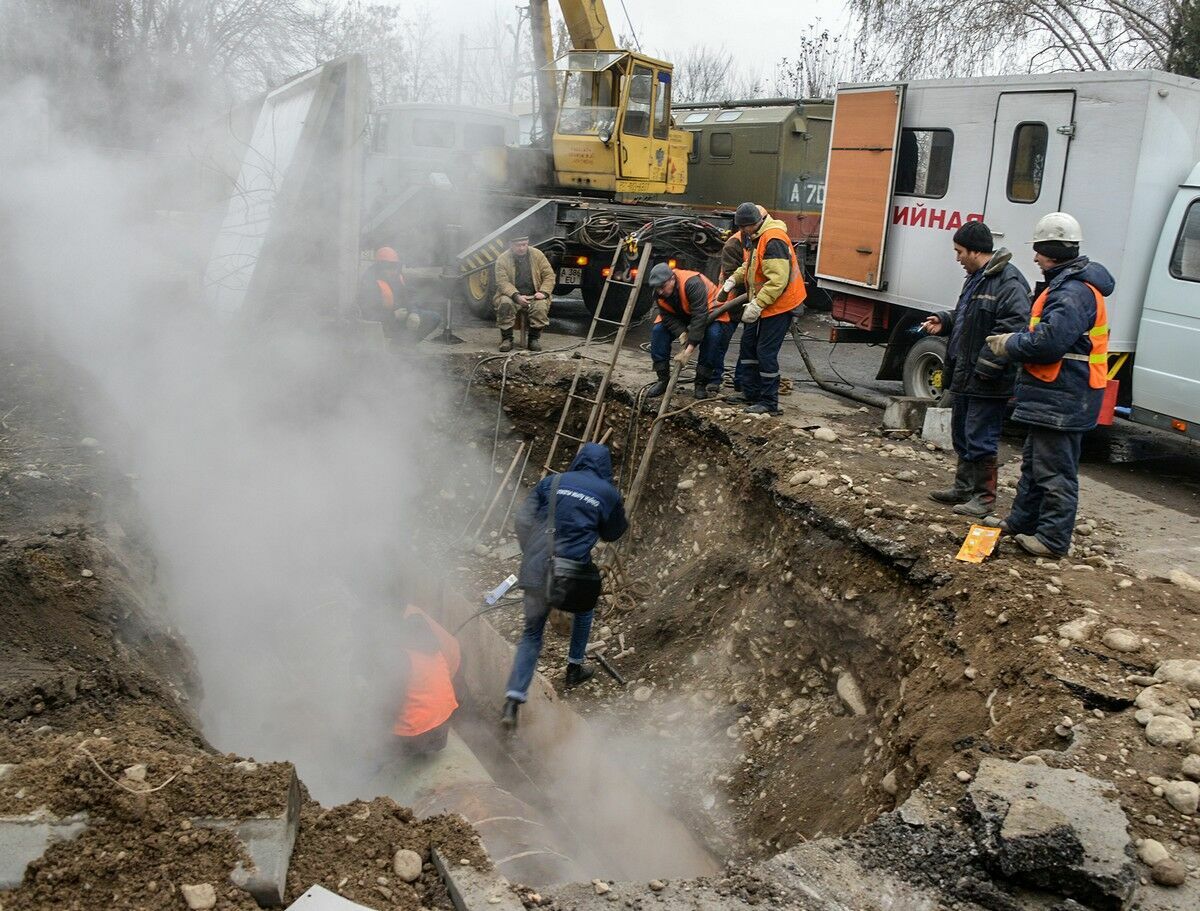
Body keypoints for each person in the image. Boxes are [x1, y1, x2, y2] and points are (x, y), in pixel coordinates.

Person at [985, 212, 1114, 557]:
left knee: (1055, 470)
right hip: (1057, 394)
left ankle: (1053, 540)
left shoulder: (1072, 292)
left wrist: (1010, 344)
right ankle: (1024, 522)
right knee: (1035, 464)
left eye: (1039, 250)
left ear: (1053, 250)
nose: (1035, 257)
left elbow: (1049, 344)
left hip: (1063, 395)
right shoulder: (1069, 287)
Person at [501, 443, 627, 729]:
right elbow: (613, 532)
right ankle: (574, 667)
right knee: (584, 609)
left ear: (579, 460)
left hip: (536, 570)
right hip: (572, 577)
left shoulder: (552, 481)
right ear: (605, 468)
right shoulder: (607, 493)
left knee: (532, 634)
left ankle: (512, 700)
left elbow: (522, 519)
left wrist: (530, 551)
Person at [921, 222, 1031, 518]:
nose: (957, 258)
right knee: (963, 433)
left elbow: (1012, 328)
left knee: (981, 436)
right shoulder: (978, 278)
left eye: (959, 252)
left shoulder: (1008, 282)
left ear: (974, 251)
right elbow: (969, 317)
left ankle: (983, 498)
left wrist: (985, 368)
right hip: (966, 374)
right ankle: (964, 488)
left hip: (987, 378)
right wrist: (945, 320)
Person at [721, 202, 807, 415]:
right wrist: (732, 280)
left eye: (743, 227)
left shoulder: (773, 239)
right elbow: (750, 265)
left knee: (765, 353)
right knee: (748, 345)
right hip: (763, 303)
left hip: (779, 306)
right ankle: (750, 394)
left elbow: (778, 281)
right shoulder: (756, 237)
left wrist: (758, 304)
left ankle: (769, 403)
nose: (741, 232)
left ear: (752, 223)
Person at [644, 262, 733, 400]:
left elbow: (700, 316)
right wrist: (682, 333)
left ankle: (701, 384)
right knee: (658, 331)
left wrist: (688, 349)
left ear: (672, 279)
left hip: (710, 312)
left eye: (662, 287)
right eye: (657, 288)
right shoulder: (658, 293)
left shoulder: (692, 283)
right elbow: (667, 316)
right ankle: (663, 379)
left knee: (713, 336)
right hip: (683, 314)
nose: (660, 291)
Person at [393, 605, 461, 755]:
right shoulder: (436, 651)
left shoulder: (404, 658)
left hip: (414, 737)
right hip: (442, 730)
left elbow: (392, 705)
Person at [358, 247, 441, 343]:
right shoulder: (370, 284)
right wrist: (393, 316)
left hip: (401, 317)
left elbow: (409, 297)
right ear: (379, 267)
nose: (393, 272)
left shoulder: (397, 277)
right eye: (389, 268)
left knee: (434, 317)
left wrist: (414, 312)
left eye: (395, 267)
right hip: (384, 323)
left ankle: (402, 346)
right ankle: (397, 345)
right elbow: (368, 316)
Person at [493, 233, 554, 352]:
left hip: (534, 294)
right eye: (518, 245)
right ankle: (507, 339)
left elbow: (549, 275)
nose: (522, 248)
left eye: (524, 245)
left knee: (540, 306)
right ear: (511, 245)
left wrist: (543, 292)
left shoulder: (537, 255)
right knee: (505, 303)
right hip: (511, 295)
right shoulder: (502, 259)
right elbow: (502, 282)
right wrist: (516, 296)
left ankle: (533, 339)